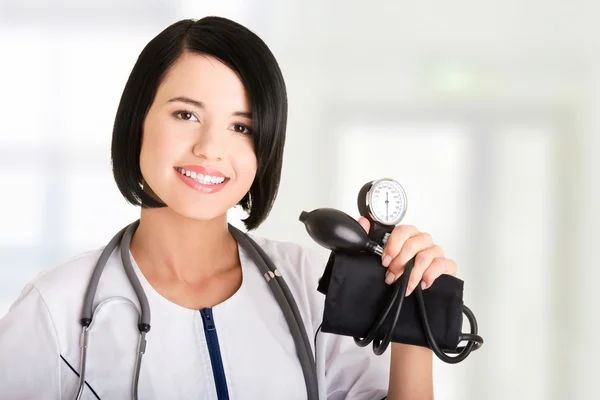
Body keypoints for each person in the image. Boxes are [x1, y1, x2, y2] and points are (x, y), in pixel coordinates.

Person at [0, 16, 458, 400]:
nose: (210, 149)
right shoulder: (54, 312)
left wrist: (412, 316)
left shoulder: (313, 289)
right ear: (138, 120)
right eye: (186, 115)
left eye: (241, 127)